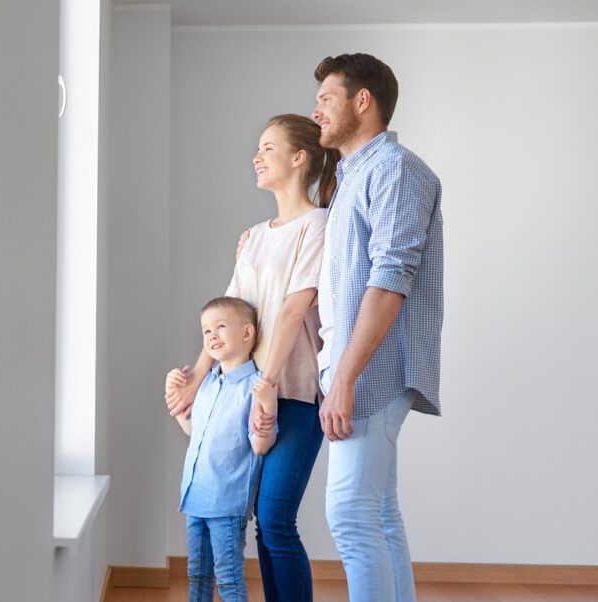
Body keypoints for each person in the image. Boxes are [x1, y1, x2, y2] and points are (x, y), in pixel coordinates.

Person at [166, 114, 337, 601]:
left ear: (299, 158)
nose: (256, 157)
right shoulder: (255, 235)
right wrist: (196, 378)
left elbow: (292, 310)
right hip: (245, 395)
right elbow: (226, 317)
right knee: (260, 520)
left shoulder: (318, 224)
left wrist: (268, 383)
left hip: (293, 393)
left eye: (268, 147)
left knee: (276, 517)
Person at [312, 53, 443, 602]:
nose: (315, 110)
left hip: (371, 373)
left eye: (326, 98)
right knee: (380, 515)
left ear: (361, 101)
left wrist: (344, 378)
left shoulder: (395, 170)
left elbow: (390, 280)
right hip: (356, 368)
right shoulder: (354, 176)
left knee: (350, 516)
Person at [169, 296, 277, 602]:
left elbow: (260, 445)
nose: (211, 336)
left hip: (226, 502)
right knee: (197, 575)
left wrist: (268, 405)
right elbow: (194, 431)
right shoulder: (205, 384)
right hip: (194, 496)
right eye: (206, 331)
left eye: (220, 327)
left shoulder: (256, 386)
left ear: (246, 334)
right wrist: (177, 400)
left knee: (229, 579)